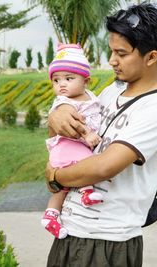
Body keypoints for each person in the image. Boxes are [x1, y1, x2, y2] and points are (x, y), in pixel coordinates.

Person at [45, 3, 157, 267]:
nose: (111, 60)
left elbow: (104, 166)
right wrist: (55, 117)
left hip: (108, 243)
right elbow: (64, 141)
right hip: (69, 230)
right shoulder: (109, 93)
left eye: (121, 53)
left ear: (151, 57)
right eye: (111, 50)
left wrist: (55, 176)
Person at [42, 44, 104, 239]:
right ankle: (86, 193)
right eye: (56, 80)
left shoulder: (91, 97)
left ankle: (51, 215)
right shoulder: (64, 102)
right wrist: (87, 135)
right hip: (68, 146)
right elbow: (73, 122)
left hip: (71, 148)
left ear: (86, 81)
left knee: (64, 189)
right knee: (86, 163)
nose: (61, 85)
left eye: (69, 79)